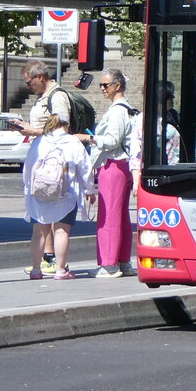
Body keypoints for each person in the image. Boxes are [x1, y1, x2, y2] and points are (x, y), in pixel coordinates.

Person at [9, 59, 71, 274]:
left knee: (53, 209)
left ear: (40, 77)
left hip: (53, 161)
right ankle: (48, 257)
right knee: (44, 209)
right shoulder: (43, 96)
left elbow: (62, 126)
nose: (28, 87)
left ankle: (54, 260)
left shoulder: (57, 96)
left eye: (29, 82)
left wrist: (32, 131)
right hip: (42, 158)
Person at [78, 69, 136, 278]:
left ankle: (109, 264)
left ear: (117, 86)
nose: (102, 89)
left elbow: (112, 140)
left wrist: (89, 138)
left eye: (106, 85)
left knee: (109, 216)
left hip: (113, 165)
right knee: (120, 215)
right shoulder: (126, 109)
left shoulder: (117, 111)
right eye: (101, 85)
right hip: (123, 165)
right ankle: (123, 261)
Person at [22, 114, 90, 280]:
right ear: (67, 124)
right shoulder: (73, 142)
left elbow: (28, 167)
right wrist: (89, 190)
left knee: (39, 232)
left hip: (39, 192)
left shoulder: (40, 142)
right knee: (61, 231)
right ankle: (60, 270)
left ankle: (36, 270)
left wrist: (28, 189)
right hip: (66, 193)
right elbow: (85, 168)